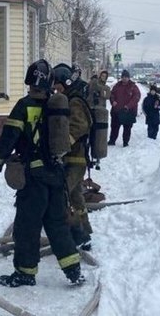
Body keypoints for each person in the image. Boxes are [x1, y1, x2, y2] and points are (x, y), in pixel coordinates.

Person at [0, 59, 85, 287]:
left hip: (34, 179)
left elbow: (8, 139)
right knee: (57, 224)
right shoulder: (56, 106)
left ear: (29, 81)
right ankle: (73, 269)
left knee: (26, 226)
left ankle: (25, 272)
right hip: (56, 176)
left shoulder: (24, 106)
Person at [53, 63, 94, 251]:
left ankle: (76, 235)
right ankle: (85, 232)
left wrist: (62, 144)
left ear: (67, 83)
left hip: (76, 159)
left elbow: (80, 125)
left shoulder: (74, 101)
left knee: (60, 194)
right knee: (76, 196)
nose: (56, 89)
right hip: (70, 158)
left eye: (58, 86)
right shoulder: (66, 98)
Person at [108, 69, 141, 147]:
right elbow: (112, 94)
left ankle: (125, 142)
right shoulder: (117, 86)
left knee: (127, 128)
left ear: (129, 78)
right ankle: (112, 140)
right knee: (114, 127)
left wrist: (128, 106)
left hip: (128, 111)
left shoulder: (133, 86)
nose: (124, 78)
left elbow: (136, 98)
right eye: (123, 77)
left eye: (126, 77)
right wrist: (113, 101)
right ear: (121, 77)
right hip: (117, 110)